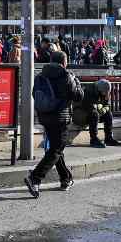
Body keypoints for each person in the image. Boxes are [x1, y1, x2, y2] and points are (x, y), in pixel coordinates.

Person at [24, 51, 84, 198]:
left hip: (44, 116)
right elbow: (78, 96)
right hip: (60, 117)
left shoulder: (40, 75)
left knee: (56, 148)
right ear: (64, 62)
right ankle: (35, 178)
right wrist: (75, 81)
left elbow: (34, 93)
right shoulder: (66, 76)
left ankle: (66, 178)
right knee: (57, 148)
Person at [84, 79, 121, 148]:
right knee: (94, 114)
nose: (106, 94)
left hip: (95, 112)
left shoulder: (104, 92)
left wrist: (104, 110)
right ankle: (93, 139)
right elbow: (89, 106)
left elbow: (107, 105)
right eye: (105, 92)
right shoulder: (89, 90)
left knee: (109, 115)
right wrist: (100, 108)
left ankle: (108, 138)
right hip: (82, 114)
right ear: (100, 89)